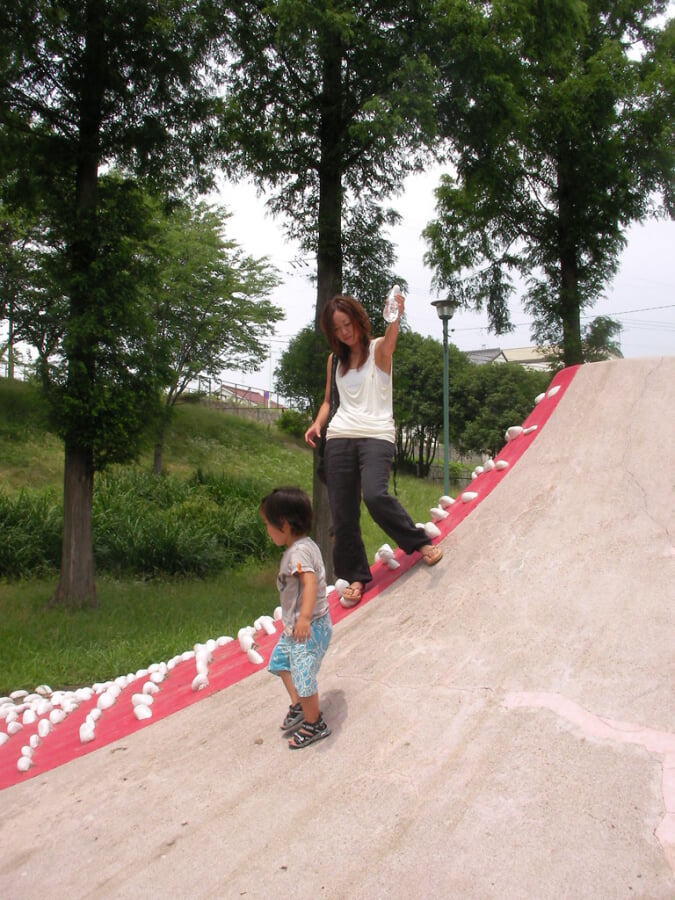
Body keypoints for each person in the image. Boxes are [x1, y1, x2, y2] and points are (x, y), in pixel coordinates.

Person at [304, 292, 443, 609]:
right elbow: (329, 401)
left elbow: (391, 340)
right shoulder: (335, 360)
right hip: (339, 435)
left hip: (377, 434)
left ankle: (418, 542)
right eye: (337, 328)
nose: (344, 332)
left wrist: (395, 316)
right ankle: (355, 576)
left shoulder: (379, 349)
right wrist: (317, 424)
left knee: (375, 495)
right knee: (343, 513)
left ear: (358, 320)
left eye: (347, 324)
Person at [260, 487, 332, 749]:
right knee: (280, 662)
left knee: (303, 676)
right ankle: (300, 705)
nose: (266, 530)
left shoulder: (298, 554)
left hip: (309, 627)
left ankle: (315, 724)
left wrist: (304, 618)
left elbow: (309, 582)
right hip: (297, 627)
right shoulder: (303, 546)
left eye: (268, 524)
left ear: (284, 525)